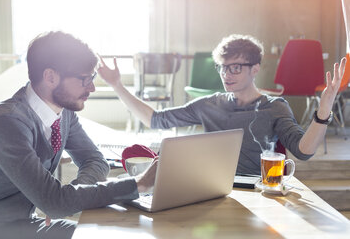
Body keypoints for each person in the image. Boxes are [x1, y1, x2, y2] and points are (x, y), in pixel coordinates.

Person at [0, 31, 157, 239]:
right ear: (50, 77)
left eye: (93, 78)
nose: (92, 87)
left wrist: (64, 200)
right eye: (84, 79)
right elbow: (54, 203)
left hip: (25, 224)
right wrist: (139, 184)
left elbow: (96, 161)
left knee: (112, 233)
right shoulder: (6, 123)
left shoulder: (64, 114)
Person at [97, 34, 346, 175]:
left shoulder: (275, 107)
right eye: (223, 68)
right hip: (210, 189)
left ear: (255, 68)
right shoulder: (209, 104)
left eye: (235, 67)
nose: (227, 74)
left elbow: (303, 151)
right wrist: (118, 85)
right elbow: (156, 119)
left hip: (257, 190)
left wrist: (323, 112)